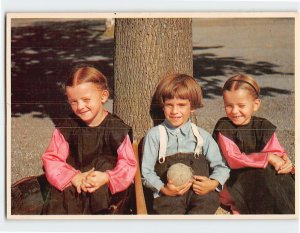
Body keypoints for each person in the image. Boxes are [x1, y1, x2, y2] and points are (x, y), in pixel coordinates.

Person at [41, 65, 137, 214]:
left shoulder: (116, 129)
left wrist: (106, 177)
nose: (80, 107)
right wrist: (73, 177)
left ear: (103, 96)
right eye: (73, 101)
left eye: (86, 99)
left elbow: (128, 163)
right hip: (72, 188)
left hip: (104, 190)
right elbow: (52, 158)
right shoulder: (67, 127)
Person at [141, 73, 230, 214]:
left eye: (181, 105)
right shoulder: (155, 135)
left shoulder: (203, 136)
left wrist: (212, 183)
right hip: (169, 196)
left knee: (209, 201)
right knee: (168, 210)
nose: (175, 111)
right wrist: (164, 189)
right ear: (163, 106)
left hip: (200, 194)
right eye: (169, 105)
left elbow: (222, 167)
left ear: (192, 107)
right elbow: (146, 172)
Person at [213, 74, 295, 214]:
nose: (234, 111)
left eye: (241, 105)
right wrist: (267, 158)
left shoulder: (262, 125)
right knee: (263, 177)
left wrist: (284, 161)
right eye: (228, 106)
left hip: (259, 175)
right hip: (233, 178)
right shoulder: (224, 127)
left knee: (280, 175)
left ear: (255, 105)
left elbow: (275, 150)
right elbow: (234, 159)